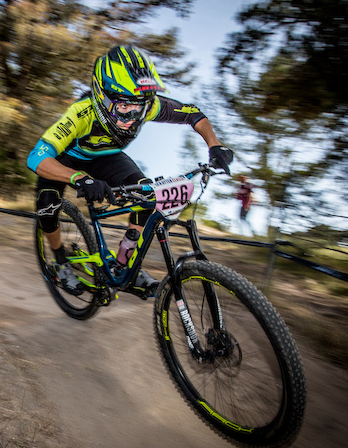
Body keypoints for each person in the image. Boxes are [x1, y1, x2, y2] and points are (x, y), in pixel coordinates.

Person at [26, 44, 233, 295]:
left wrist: (215, 145)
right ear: (102, 97)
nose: (132, 116)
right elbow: (37, 158)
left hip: (107, 158)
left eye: (139, 107)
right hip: (66, 159)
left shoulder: (147, 106)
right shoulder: (81, 113)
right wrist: (79, 178)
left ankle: (123, 264)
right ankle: (60, 261)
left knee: (147, 195)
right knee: (48, 205)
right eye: (123, 106)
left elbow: (192, 114)